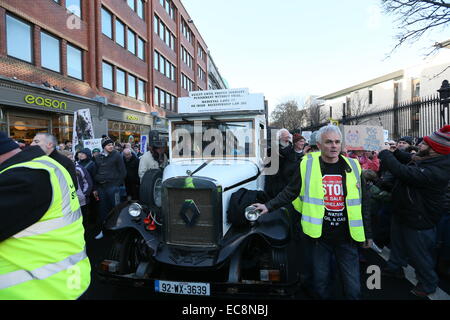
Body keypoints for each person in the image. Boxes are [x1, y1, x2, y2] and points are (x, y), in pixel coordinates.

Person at [253, 125, 372, 300]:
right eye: (329, 142)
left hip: (347, 238)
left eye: (337, 142)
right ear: (319, 144)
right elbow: (291, 191)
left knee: (353, 288)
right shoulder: (307, 164)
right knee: (320, 285)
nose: (334, 146)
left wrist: (368, 233)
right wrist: (268, 206)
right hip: (319, 239)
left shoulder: (354, 166)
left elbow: (364, 202)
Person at [0, 132, 91, 299]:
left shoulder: (25, 176)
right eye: (32, 141)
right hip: (68, 282)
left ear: (50, 145)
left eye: (37, 141)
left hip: (43, 290)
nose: (33, 144)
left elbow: (80, 184)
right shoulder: (44, 166)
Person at [378, 125, 450, 297]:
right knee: (397, 244)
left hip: (419, 216)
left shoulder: (439, 170)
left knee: (420, 254)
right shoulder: (428, 159)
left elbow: (403, 172)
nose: (420, 146)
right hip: (404, 211)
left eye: (425, 144)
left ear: (435, 150)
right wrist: (395, 152)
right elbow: (407, 157)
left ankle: (428, 283)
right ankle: (394, 267)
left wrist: (386, 154)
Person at [92, 137, 127, 240]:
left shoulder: (116, 155)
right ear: (103, 147)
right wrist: (95, 187)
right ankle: (104, 230)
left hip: (113, 187)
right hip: (101, 187)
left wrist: (116, 184)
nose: (111, 146)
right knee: (103, 210)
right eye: (108, 145)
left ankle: (117, 231)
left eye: (112, 144)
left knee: (116, 209)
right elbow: (94, 172)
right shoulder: (98, 157)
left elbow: (123, 172)